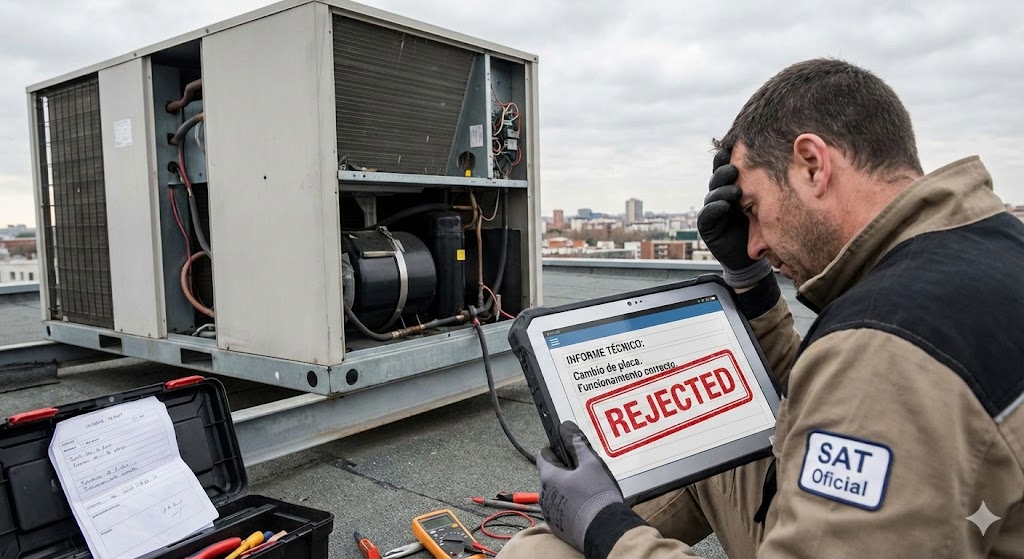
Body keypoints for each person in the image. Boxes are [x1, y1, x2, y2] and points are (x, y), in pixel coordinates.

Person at [497, 58, 1024, 558]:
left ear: (812, 165)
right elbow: (817, 400)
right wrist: (751, 285)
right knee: (714, 448)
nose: (752, 245)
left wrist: (608, 530)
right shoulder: (988, 247)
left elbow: (861, 384)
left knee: (536, 552)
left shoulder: (882, 350)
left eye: (752, 209)